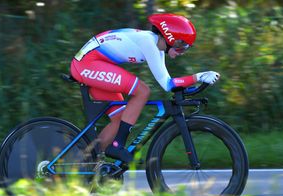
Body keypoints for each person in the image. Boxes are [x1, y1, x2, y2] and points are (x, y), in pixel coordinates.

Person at [70, 13, 220, 163]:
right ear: (170, 38)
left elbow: (168, 83)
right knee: (142, 91)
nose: (182, 52)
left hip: (94, 64)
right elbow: (167, 84)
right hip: (86, 64)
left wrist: (193, 86)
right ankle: (117, 146)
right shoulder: (148, 43)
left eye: (186, 48)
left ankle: (84, 162)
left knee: (119, 119)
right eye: (181, 46)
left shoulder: (157, 47)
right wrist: (198, 77)